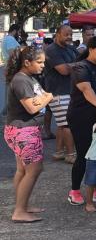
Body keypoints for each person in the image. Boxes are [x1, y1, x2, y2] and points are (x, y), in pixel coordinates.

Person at [3, 46, 53, 223]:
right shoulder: (21, 80)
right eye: (39, 62)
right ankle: (19, 211)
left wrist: (44, 98)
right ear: (27, 62)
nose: (42, 66)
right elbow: (32, 106)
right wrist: (47, 98)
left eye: (43, 62)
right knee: (34, 169)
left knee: (23, 170)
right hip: (24, 131)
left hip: (22, 130)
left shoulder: (27, 78)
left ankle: (22, 205)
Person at [67, 36, 96, 206]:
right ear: (90, 49)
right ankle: (74, 191)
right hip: (82, 116)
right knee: (85, 153)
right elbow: (87, 90)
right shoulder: (80, 67)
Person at [44, 25, 77, 164]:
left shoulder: (70, 49)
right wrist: (77, 65)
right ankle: (71, 154)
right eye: (66, 34)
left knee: (62, 124)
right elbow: (63, 70)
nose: (69, 37)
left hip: (67, 90)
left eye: (70, 34)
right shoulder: (51, 50)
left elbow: (74, 64)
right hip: (58, 92)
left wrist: (73, 65)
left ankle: (59, 152)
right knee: (68, 125)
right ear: (57, 34)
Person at [1, 23, 22, 116]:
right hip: (12, 68)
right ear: (15, 30)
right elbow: (12, 53)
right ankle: (7, 112)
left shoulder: (8, 38)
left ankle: (7, 111)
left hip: (11, 67)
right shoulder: (10, 39)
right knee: (12, 90)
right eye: (19, 31)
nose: (20, 33)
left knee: (11, 90)